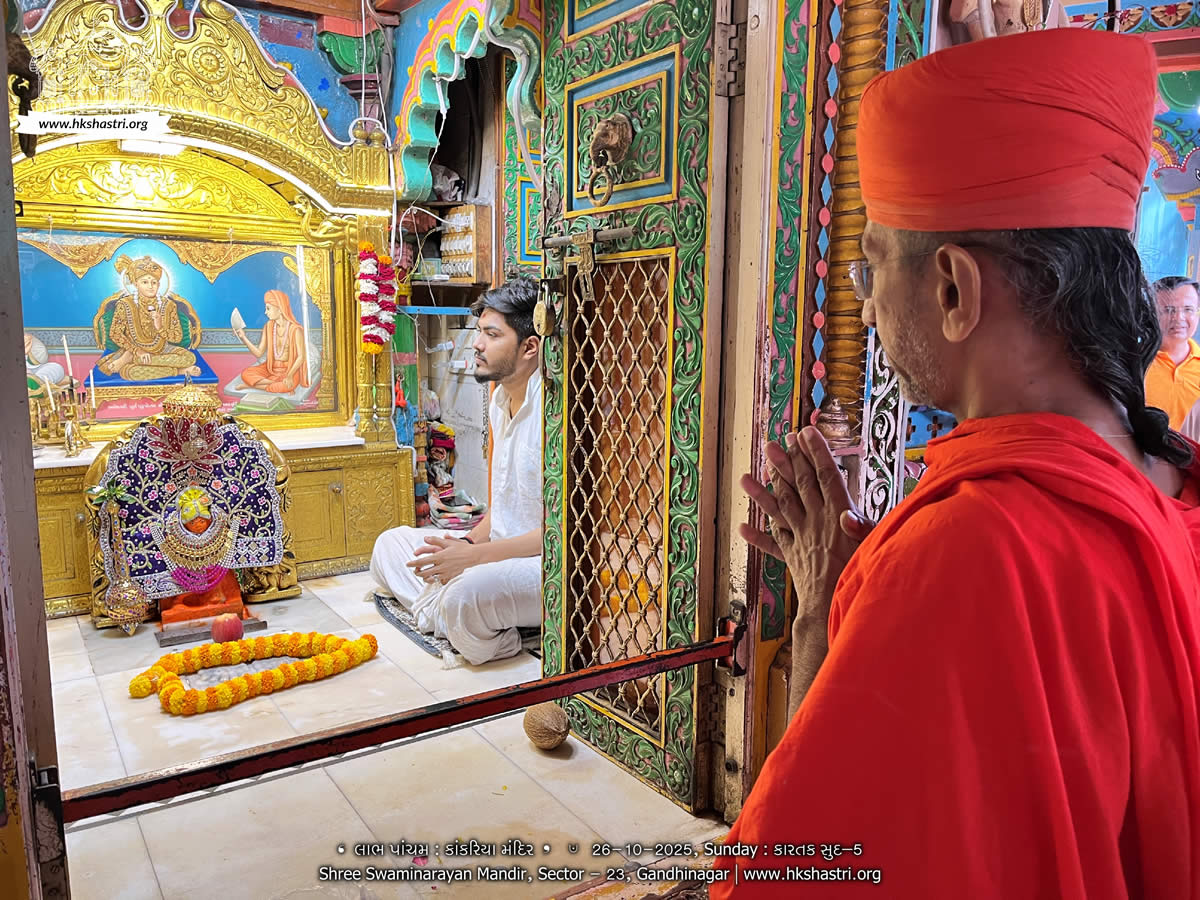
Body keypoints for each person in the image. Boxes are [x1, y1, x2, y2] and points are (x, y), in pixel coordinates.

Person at [713, 28, 1200, 898]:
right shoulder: (1169, 479)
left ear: (952, 288)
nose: (864, 298)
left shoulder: (963, 554)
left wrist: (827, 615)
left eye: (868, 265)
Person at [369, 275, 543, 665]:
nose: (477, 345)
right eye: (479, 332)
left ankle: (481, 631)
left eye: (491, 335)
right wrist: (464, 547)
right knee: (390, 545)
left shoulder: (555, 414)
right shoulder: (500, 402)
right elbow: (503, 511)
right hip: (492, 552)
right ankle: (450, 614)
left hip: (540, 566)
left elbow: (561, 533)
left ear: (529, 346)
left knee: (466, 595)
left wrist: (475, 560)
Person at [97, 254, 202, 381]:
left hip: (163, 349)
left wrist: (160, 327)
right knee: (130, 373)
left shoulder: (169, 305)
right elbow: (115, 334)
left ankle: (133, 359)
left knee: (190, 358)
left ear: (159, 284)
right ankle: (180, 371)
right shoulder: (125, 304)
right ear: (136, 284)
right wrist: (137, 351)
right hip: (137, 349)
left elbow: (177, 337)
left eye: (154, 282)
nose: (150, 286)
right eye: (145, 282)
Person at [1145, 275, 1200, 429]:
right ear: (1152, 314)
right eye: (1168, 310)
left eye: (1188, 309)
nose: (1178, 318)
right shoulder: (1136, 363)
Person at [234, 289, 311, 394]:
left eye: (268, 308)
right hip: (270, 369)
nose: (265, 312)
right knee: (246, 374)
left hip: (289, 371)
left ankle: (252, 386)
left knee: (282, 386)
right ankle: (275, 383)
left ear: (280, 309)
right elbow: (259, 352)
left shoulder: (295, 330)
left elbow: (301, 357)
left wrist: (289, 376)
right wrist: (243, 337)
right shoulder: (269, 326)